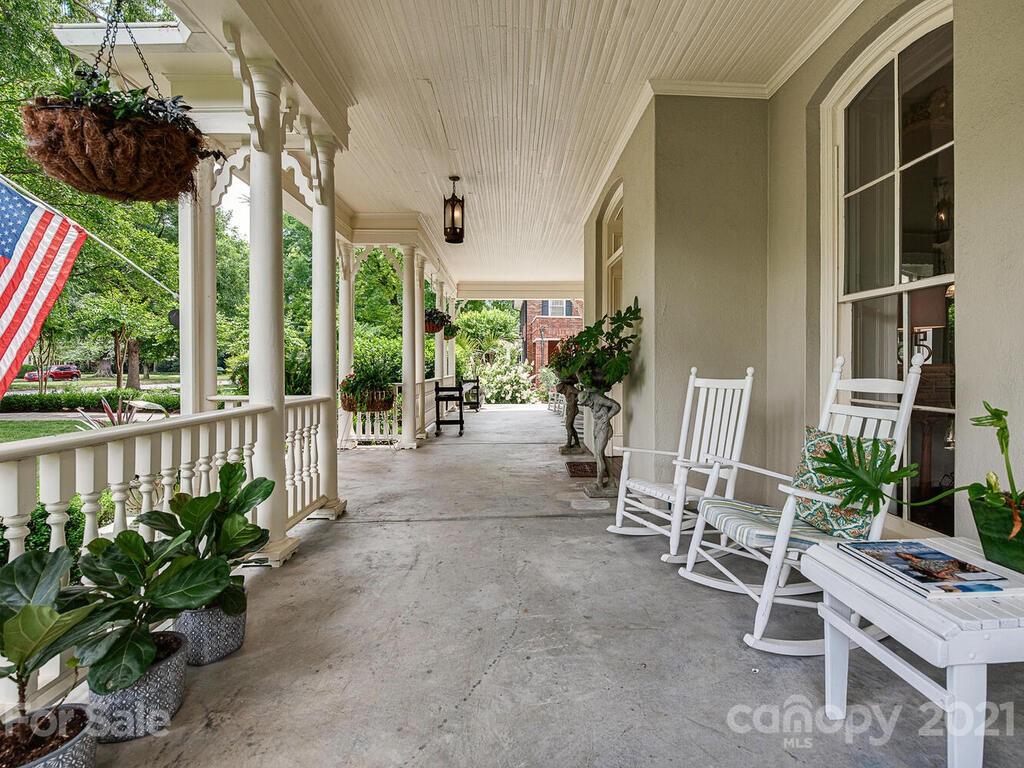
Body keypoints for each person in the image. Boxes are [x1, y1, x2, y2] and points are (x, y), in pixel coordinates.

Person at [578, 388, 620, 489]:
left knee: (599, 454)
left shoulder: (598, 399)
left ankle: (599, 482)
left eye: (585, 403)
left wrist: (608, 417)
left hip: (604, 427)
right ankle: (611, 481)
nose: (586, 405)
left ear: (588, 398)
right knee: (600, 455)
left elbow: (616, 406)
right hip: (598, 426)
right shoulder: (592, 401)